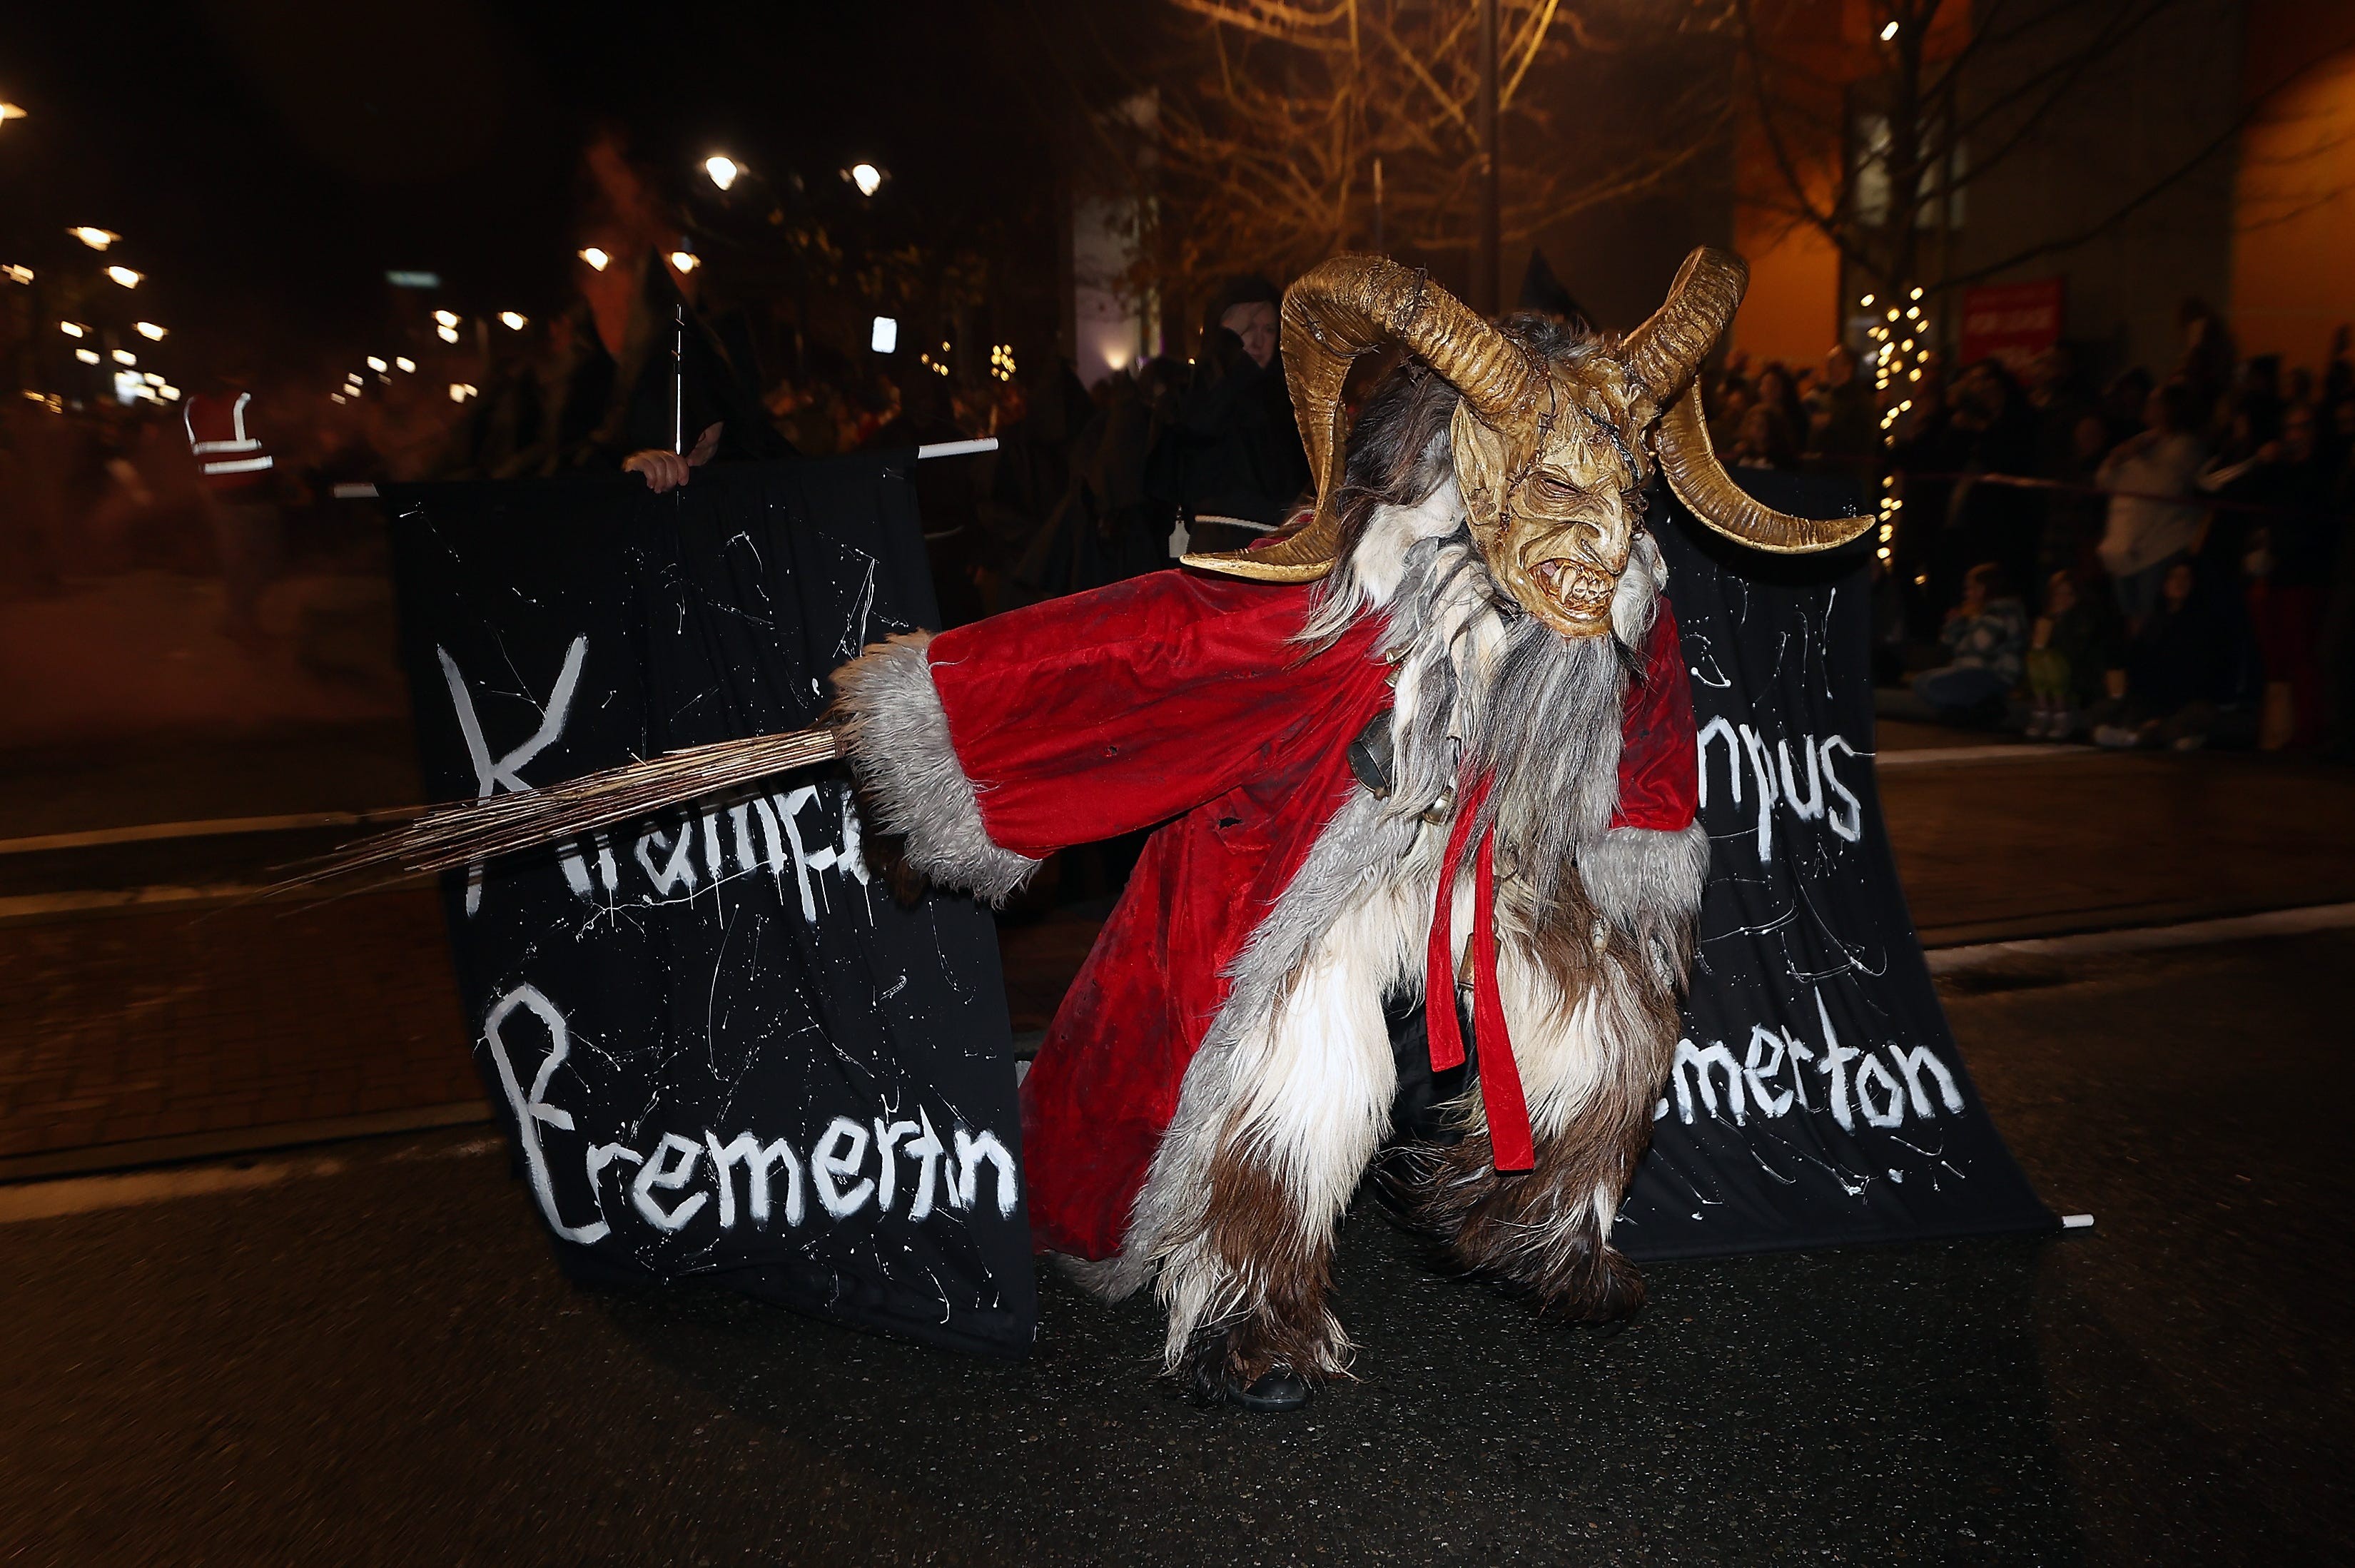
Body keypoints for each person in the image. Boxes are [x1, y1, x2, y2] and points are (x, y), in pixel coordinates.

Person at [2092, 560, 2257, 749]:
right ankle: (2150, 732)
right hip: (2154, 701)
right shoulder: (2154, 624)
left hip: (2190, 701)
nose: (2179, 582)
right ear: (2164, 584)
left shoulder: (2203, 623)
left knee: (2198, 716)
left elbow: (2207, 672)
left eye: (2185, 577)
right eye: (2173, 577)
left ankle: (2143, 735)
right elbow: (2139, 667)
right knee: (2107, 710)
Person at [2096, 380, 2208, 630]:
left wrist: (2133, 461)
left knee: (2153, 618)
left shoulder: (2186, 446)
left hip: (2160, 545)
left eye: (2157, 402)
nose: (2149, 406)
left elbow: (2164, 486)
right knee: (2130, 619)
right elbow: (2105, 479)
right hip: (2125, 543)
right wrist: (2117, 460)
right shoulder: (2143, 441)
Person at [1913, 562, 2027, 724]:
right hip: (1971, 671)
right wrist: (1956, 623)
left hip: (1995, 675)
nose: (1967, 594)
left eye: (1971, 588)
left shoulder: (2002, 612)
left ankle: (1980, 707)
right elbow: (1949, 643)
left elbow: (1978, 647)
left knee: (1934, 685)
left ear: (1983, 588)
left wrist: (1968, 620)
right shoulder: (1981, 613)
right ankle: (1971, 709)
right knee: (1921, 681)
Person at [2024, 570, 2122, 739]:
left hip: (2079, 681)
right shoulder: (2048, 619)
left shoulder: (2084, 619)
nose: (2062, 599)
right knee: (2037, 659)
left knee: (2049, 659)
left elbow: (2075, 655)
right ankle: (2043, 710)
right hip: (2051, 685)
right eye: (2057, 594)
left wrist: (2058, 626)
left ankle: (2060, 712)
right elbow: (2034, 656)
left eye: (2069, 594)